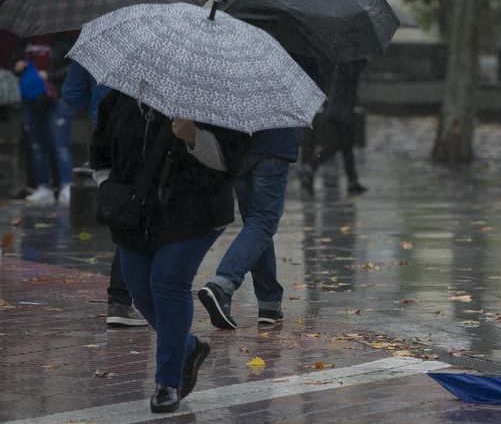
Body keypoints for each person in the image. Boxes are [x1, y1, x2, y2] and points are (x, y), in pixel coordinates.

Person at [91, 90, 249, 413]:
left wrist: (194, 137)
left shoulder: (211, 97)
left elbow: (232, 160)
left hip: (195, 211)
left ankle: (168, 382)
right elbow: (101, 153)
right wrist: (108, 186)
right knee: (139, 289)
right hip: (136, 215)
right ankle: (187, 347)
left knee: (168, 281)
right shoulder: (119, 99)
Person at [198, 54, 328, 330]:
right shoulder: (297, 47)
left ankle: (269, 301)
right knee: (263, 222)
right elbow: (314, 90)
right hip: (274, 143)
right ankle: (223, 283)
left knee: (255, 224)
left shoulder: (236, 44)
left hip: (238, 145)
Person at [62, 59, 147, 328]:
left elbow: (72, 92)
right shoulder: (153, 47)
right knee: (138, 217)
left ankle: (122, 299)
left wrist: (97, 109)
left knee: (127, 214)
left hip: (105, 130)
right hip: (140, 132)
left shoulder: (96, 45)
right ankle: (124, 299)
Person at [14, 35, 73, 206]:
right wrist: (18, 67)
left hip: (57, 97)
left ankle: (66, 185)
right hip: (31, 97)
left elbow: (71, 68)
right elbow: (15, 63)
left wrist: (49, 75)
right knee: (36, 145)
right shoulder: (24, 43)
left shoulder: (62, 42)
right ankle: (43, 186)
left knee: (59, 144)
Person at [298, 59, 368, 195]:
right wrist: (362, 60)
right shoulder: (346, 60)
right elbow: (350, 74)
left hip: (342, 109)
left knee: (346, 145)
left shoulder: (345, 59)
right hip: (340, 111)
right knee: (339, 144)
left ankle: (352, 180)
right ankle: (311, 166)